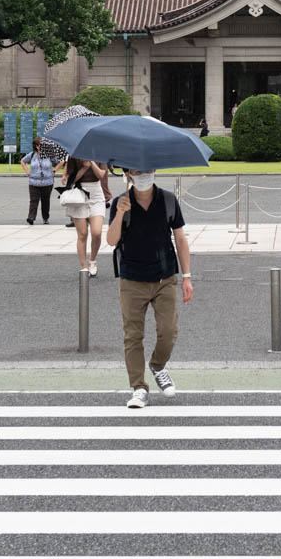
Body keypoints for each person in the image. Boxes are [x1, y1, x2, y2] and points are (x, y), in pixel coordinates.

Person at [104, 168, 193, 409]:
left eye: (148, 169)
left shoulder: (167, 200)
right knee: (133, 335)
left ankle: (157, 365)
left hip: (164, 277)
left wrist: (187, 276)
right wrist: (120, 213)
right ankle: (138, 388)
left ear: (154, 171)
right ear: (128, 174)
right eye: (137, 170)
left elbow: (180, 238)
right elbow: (111, 240)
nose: (143, 174)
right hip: (132, 278)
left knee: (168, 330)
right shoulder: (121, 202)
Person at [63, 157, 110, 275]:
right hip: (79, 193)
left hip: (96, 193)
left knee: (96, 232)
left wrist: (92, 163)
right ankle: (84, 266)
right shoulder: (74, 155)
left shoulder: (100, 153)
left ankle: (92, 260)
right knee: (82, 234)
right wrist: (84, 167)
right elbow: (71, 180)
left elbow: (101, 175)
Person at [22, 146, 56, 225]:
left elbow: (61, 161)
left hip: (47, 182)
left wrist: (54, 170)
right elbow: (23, 161)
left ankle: (45, 218)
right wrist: (27, 170)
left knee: (45, 201)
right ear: (37, 146)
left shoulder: (49, 155)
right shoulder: (32, 155)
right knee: (33, 200)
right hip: (34, 182)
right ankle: (31, 217)